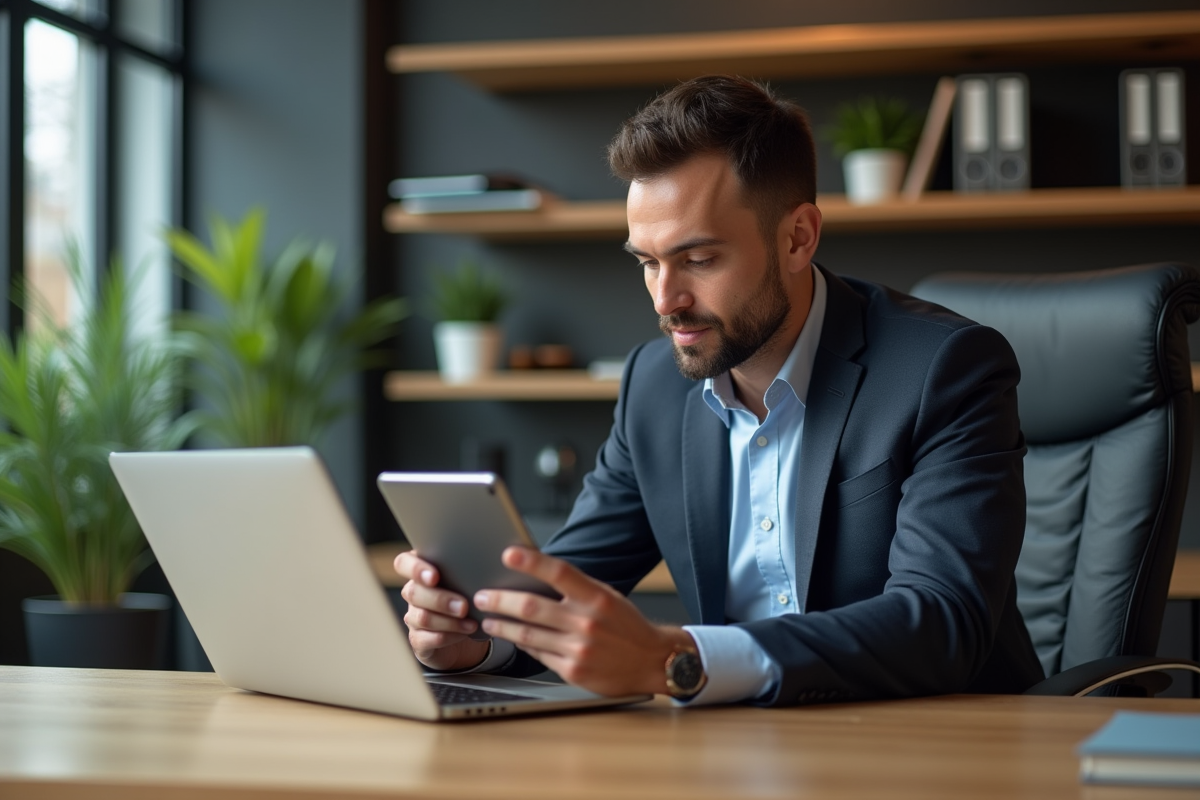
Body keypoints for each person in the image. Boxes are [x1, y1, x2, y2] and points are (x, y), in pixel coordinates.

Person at [395, 75, 1044, 707]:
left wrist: (678, 659)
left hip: (941, 746)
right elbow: (573, 594)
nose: (665, 300)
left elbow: (942, 621)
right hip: (735, 752)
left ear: (798, 238)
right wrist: (481, 641)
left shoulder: (946, 368)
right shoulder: (652, 385)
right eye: (648, 262)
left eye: (699, 260)